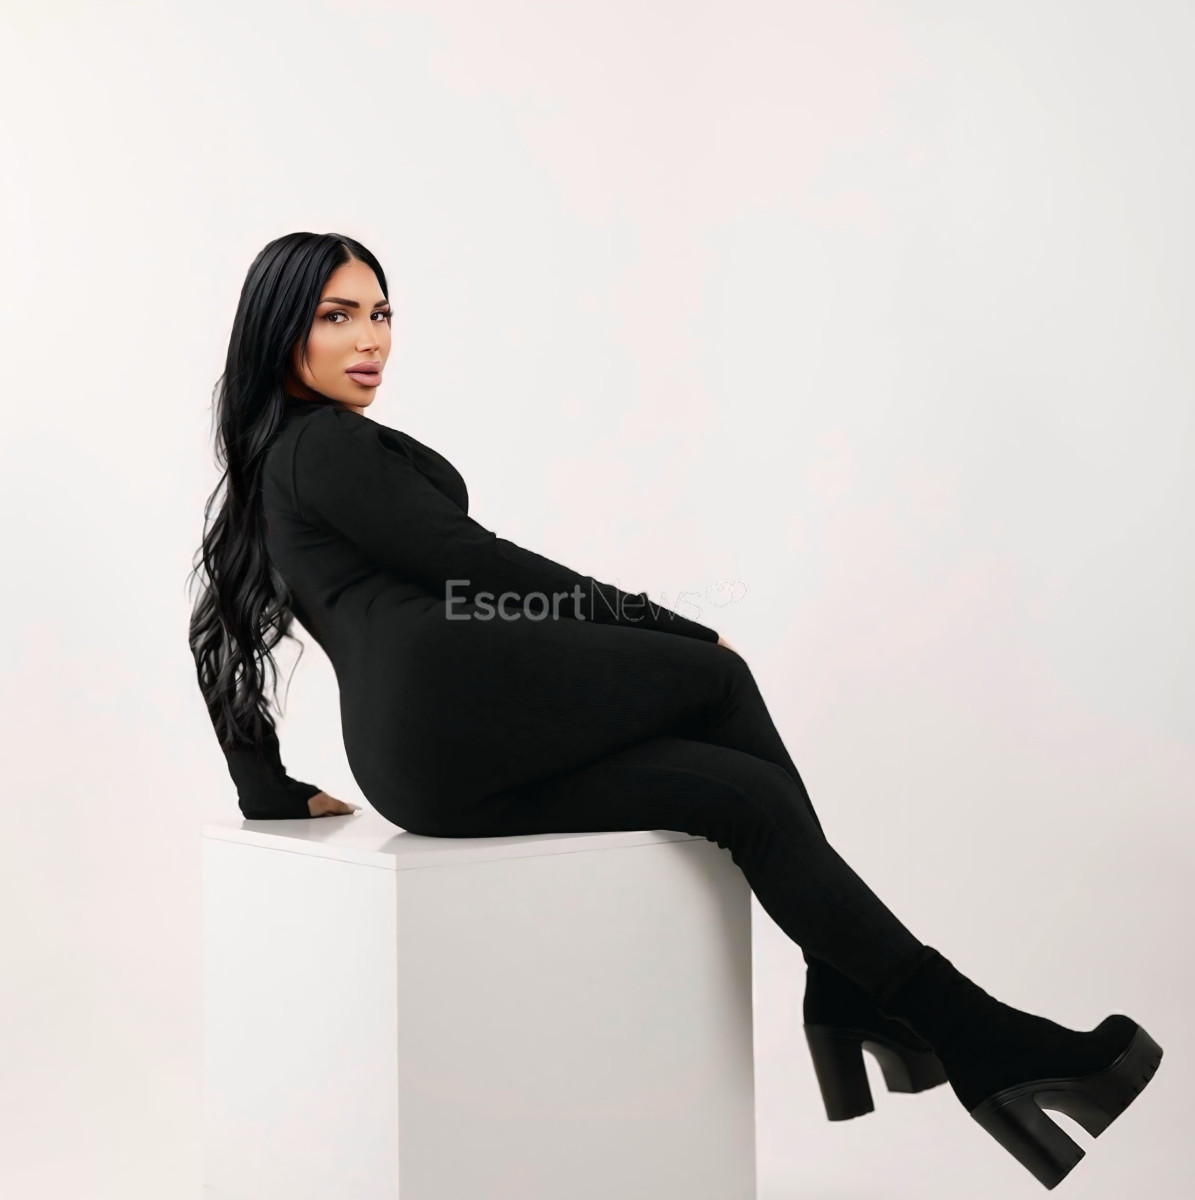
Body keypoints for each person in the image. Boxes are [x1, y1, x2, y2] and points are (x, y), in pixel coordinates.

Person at [187, 232, 1162, 1189]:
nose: (371, 340)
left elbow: (215, 620)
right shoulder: (326, 444)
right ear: (283, 331)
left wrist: (261, 785)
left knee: (742, 798)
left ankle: (906, 1011)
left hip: (427, 770)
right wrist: (670, 626)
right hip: (453, 706)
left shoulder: (276, 458)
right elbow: (469, 560)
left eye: (382, 313)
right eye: (338, 316)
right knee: (717, 678)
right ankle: (906, 1010)